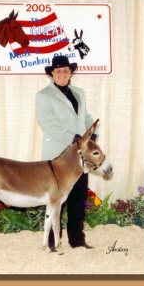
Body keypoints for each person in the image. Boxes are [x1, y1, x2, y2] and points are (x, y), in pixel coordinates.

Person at [35, 55, 98, 250]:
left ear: (70, 73)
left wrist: (92, 135)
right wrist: (76, 140)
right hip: (58, 155)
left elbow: (85, 117)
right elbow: (48, 124)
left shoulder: (80, 92)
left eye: (66, 70)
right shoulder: (43, 95)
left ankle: (77, 239)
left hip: (80, 156)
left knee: (78, 197)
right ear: (52, 73)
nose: (62, 73)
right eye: (58, 70)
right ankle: (53, 240)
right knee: (56, 200)